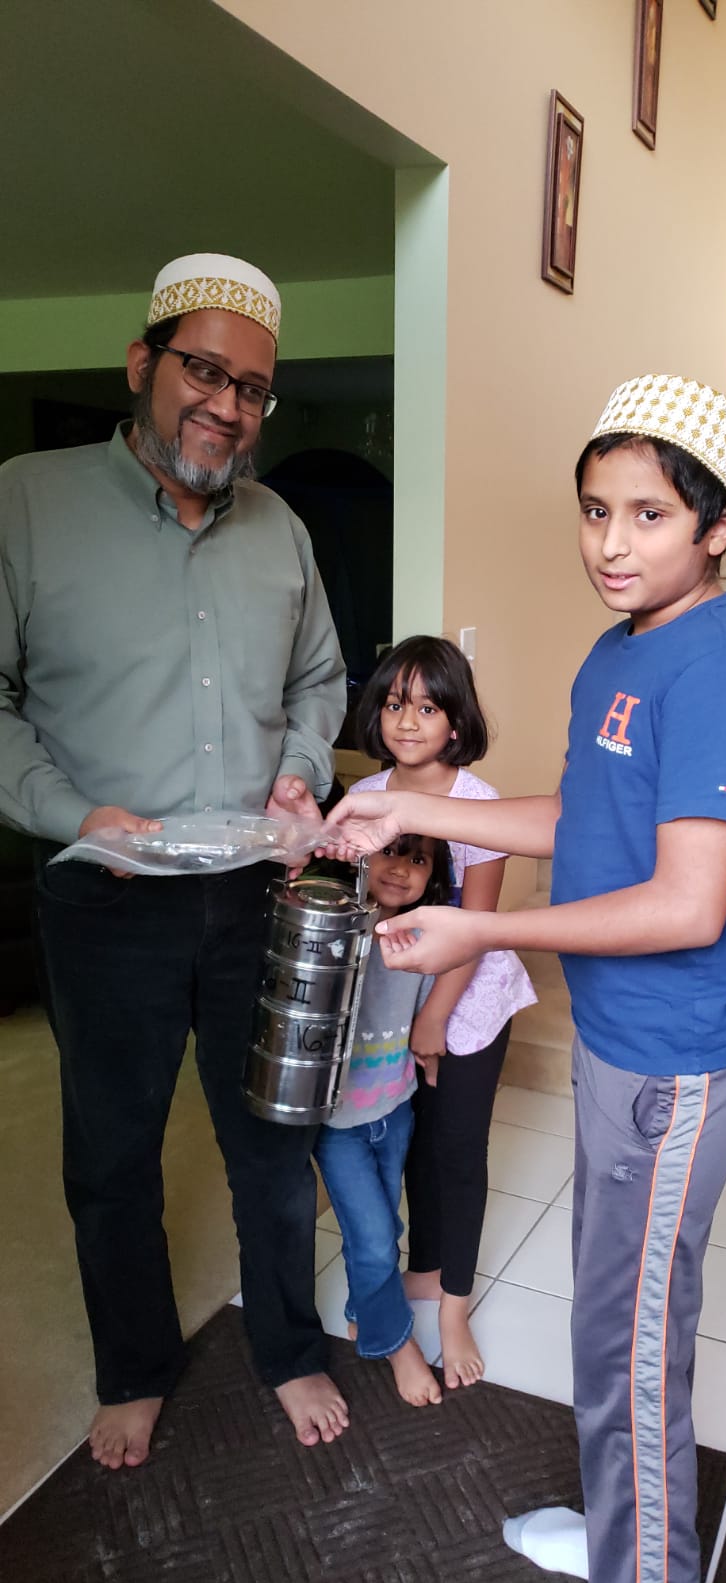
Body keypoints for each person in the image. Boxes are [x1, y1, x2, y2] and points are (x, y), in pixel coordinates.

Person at [324, 374, 726, 1583]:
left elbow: (688, 903)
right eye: (594, 510)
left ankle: (647, 1578)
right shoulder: (620, 648)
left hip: (681, 1047)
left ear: (716, 526)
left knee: (629, 1336)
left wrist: (479, 936)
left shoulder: (724, 668)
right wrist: (412, 807)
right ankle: (629, 1533)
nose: (612, 545)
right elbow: (585, 819)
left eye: (649, 515)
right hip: (626, 1035)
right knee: (610, 1312)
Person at [0, 252, 349, 1467]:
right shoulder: (26, 501)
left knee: (274, 1142)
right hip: (105, 897)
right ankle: (136, 1366)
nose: (227, 405)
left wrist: (300, 767)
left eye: (252, 388)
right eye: (204, 371)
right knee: (112, 1153)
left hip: (257, 891)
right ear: (143, 363)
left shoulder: (280, 527)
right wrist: (68, 811)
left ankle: (290, 1347)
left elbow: (321, 676)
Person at [348, 637, 536, 1388]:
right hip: (392, 1003)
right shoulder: (367, 795)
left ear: (456, 721)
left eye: (427, 708)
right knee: (410, 1145)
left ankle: (454, 1308)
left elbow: (476, 929)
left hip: (467, 1002)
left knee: (455, 1151)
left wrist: (435, 1023)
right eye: (396, 704)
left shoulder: (480, 804)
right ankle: (422, 1270)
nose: (407, 721)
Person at [314, 834, 451, 1407]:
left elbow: (426, 1014)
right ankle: (396, 1345)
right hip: (338, 1126)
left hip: (396, 1111)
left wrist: (432, 1055)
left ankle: (360, 1308)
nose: (401, 869)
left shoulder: (422, 939)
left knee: (385, 1226)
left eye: (418, 860)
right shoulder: (335, 930)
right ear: (360, 858)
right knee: (372, 1238)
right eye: (391, 852)